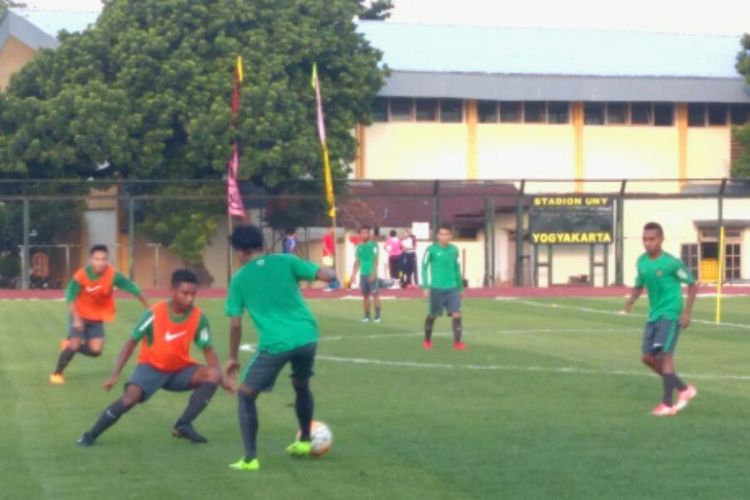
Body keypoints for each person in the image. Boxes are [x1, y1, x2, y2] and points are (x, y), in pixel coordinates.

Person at [224, 225, 336, 472]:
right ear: (261, 246)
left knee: (245, 395)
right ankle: (305, 442)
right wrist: (330, 269)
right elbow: (326, 275)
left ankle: (250, 459)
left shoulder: (240, 280)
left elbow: (235, 324)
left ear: (240, 251)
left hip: (277, 343)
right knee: (301, 384)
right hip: (307, 336)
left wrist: (232, 357)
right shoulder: (287, 260)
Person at [77, 269, 231, 446]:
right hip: (150, 368)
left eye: (193, 294)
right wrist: (115, 374)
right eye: (185, 293)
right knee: (129, 399)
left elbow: (208, 349)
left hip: (179, 370)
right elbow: (131, 343)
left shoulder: (199, 317)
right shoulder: (155, 312)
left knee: (213, 375)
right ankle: (90, 435)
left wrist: (222, 379)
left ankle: (183, 424)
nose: (190, 298)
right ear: (172, 291)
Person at [623, 222, 698, 416]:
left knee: (665, 355)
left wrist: (687, 312)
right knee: (647, 357)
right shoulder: (642, 262)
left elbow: (692, 284)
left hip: (671, 314)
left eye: (651, 239)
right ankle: (683, 389)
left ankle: (667, 404)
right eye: (645, 239)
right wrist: (631, 299)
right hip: (653, 315)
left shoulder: (671, 262)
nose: (647, 243)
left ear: (661, 239)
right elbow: (639, 284)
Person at [50, 244, 149, 384]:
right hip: (79, 314)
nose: (100, 262)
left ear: (107, 261)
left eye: (104, 259)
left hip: (96, 317)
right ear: (91, 260)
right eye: (97, 259)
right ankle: (57, 373)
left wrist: (149, 308)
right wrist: (77, 319)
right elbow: (70, 296)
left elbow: (134, 289)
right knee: (75, 343)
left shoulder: (113, 275)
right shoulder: (81, 275)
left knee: (96, 351)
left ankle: (69, 346)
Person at [422, 224, 465, 350]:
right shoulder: (431, 250)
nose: (443, 237)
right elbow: (424, 267)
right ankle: (427, 340)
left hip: (452, 288)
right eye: (441, 234)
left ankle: (457, 343)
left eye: (446, 234)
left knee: (457, 313)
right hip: (436, 288)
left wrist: (461, 287)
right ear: (437, 236)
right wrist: (425, 286)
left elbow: (456, 268)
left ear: (450, 236)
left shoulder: (454, 250)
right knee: (432, 315)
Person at [348, 226, 382, 323]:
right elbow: (357, 261)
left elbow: (376, 260)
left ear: (369, 234)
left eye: (366, 233)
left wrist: (374, 273)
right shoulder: (359, 247)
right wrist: (353, 274)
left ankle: (377, 315)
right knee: (365, 296)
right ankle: (367, 315)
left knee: (375, 294)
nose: (364, 235)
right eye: (362, 233)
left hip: (371, 273)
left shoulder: (374, 245)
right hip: (363, 274)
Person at [322, 226, 340, 291]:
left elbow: (332, 246)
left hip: (330, 256)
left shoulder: (332, 237)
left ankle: (328, 285)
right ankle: (326, 286)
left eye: (333, 229)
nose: (332, 230)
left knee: (329, 270)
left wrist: (334, 252)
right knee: (327, 270)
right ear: (328, 229)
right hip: (327, 256)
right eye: (331, 229)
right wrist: (328, 252)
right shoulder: (326, 236)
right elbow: (324, 245)